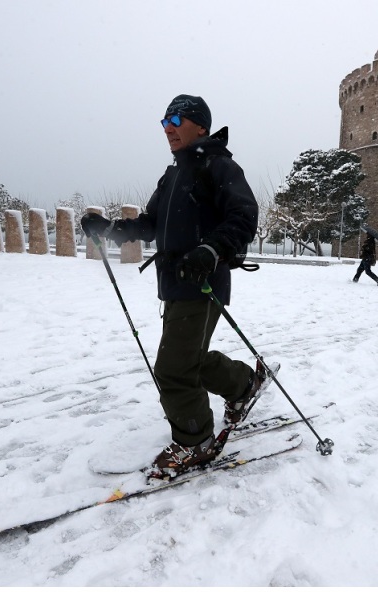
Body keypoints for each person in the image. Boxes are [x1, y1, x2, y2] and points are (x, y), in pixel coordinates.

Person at [80, 94, 266, 479]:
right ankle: (243, 385)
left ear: (201, 126)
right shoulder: (173, 175)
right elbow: (150, 223)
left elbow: (244, 216)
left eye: (177, 120)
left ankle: (194, 440)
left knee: (173, 369)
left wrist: (210, 250)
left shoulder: (219, 166)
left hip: (203, 282)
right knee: (189, 359)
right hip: (175, 283)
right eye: (164, 122)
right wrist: (111, 228)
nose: (168, 128)